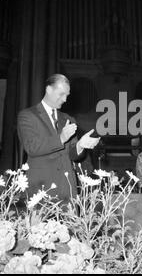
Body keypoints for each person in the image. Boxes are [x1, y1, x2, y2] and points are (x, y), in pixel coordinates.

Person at [17, 74, 100, 204]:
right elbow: (31, 147)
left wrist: (80, 146)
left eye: (67, 95)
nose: (65, 99)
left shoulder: (68, 119)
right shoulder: (27, 116)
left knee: (72, 225)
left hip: (67, 189)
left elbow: (73, 155)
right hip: (40, 190)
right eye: (61, 94)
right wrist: (61, 138)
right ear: (48, 90)